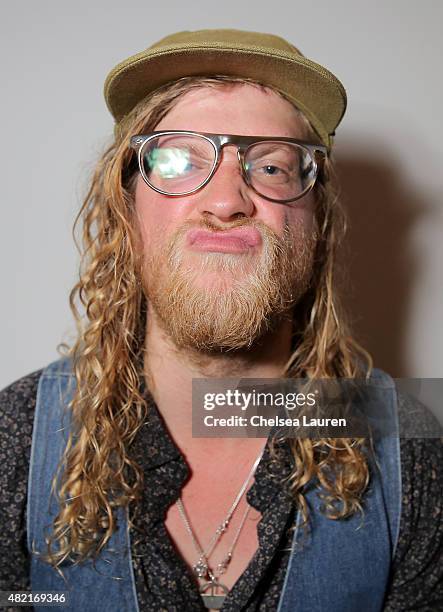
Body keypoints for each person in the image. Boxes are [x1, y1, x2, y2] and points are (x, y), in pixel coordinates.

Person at [0, 29, 442, 612]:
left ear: (317, 227)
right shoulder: (15, 440)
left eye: (273, 167)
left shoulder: (413, 450)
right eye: (179, 159)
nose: (227, 199)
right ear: (125, 211)